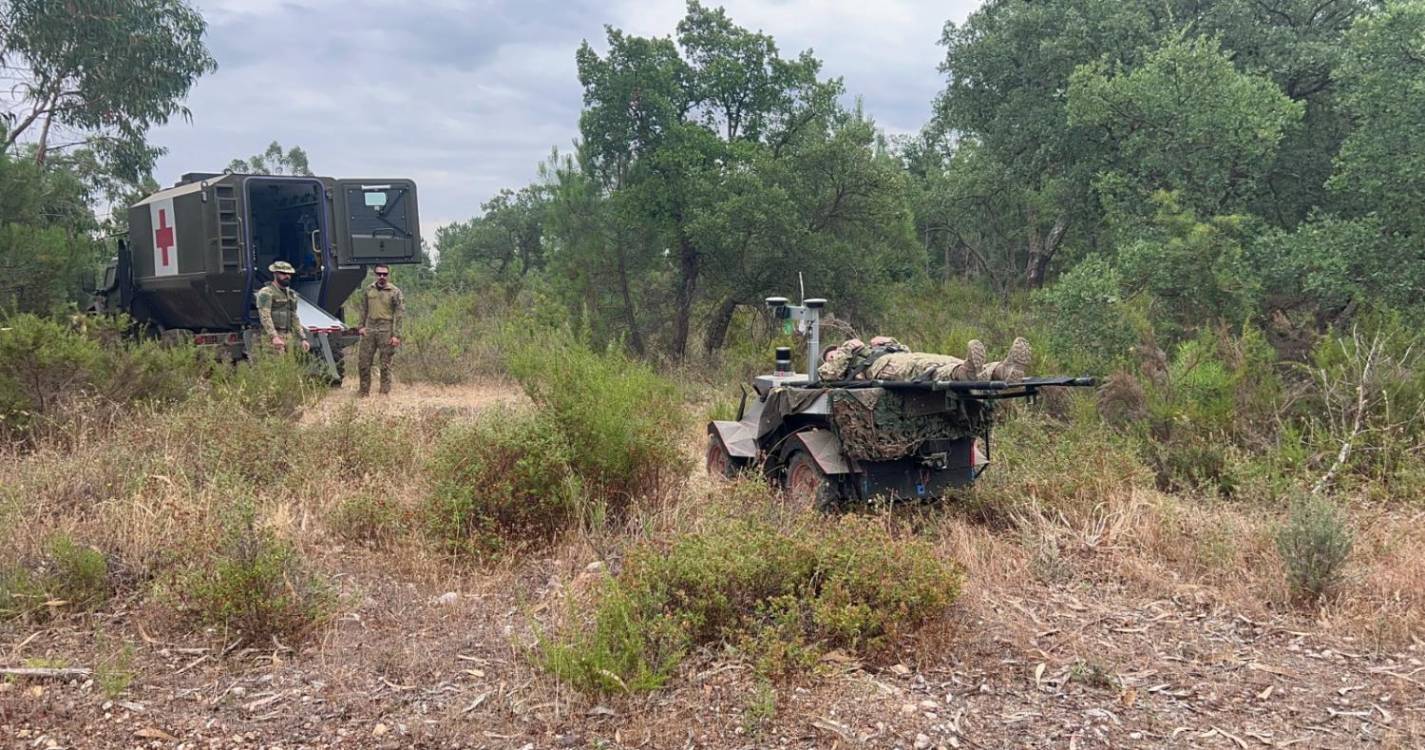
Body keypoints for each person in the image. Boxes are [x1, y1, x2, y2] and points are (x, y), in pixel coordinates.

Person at [819, 336, 1032, 384]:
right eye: (831, 355)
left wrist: (888, 341)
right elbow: (828, 374)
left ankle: (1001, 370)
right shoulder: (841, 362)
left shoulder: (866, 348)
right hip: (882, 368)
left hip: (899, 357)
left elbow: (905, 350)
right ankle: (964, 373)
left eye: (834, 352)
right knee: (925, 368)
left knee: (945, 360)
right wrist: (846, 348)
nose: (834, 355)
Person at [354, 263, 405, 396]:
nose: (382, 276)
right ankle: (363, 391)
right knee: (364, 362)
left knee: (385, 363)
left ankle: (384, 392)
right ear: (375, 274)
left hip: (386, 329)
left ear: (388, 275)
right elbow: (363, 309)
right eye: (379, 274)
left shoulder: (395, 292)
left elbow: (399, 314)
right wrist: (361, 326)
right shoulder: (368, 290)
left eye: (385, 274)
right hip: (370, 328)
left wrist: (396, 336)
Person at [254, 261, 311, 355]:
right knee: (276, 366)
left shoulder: (291, 294)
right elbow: (265, 316)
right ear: (275, 274)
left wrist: (303, 338)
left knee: (289, 366)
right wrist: (274, 337)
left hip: (288, 336)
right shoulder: (266, 292)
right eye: (283, 273)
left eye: (289, 274)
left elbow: (294, 317)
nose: (287, 276)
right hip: (273, 337)